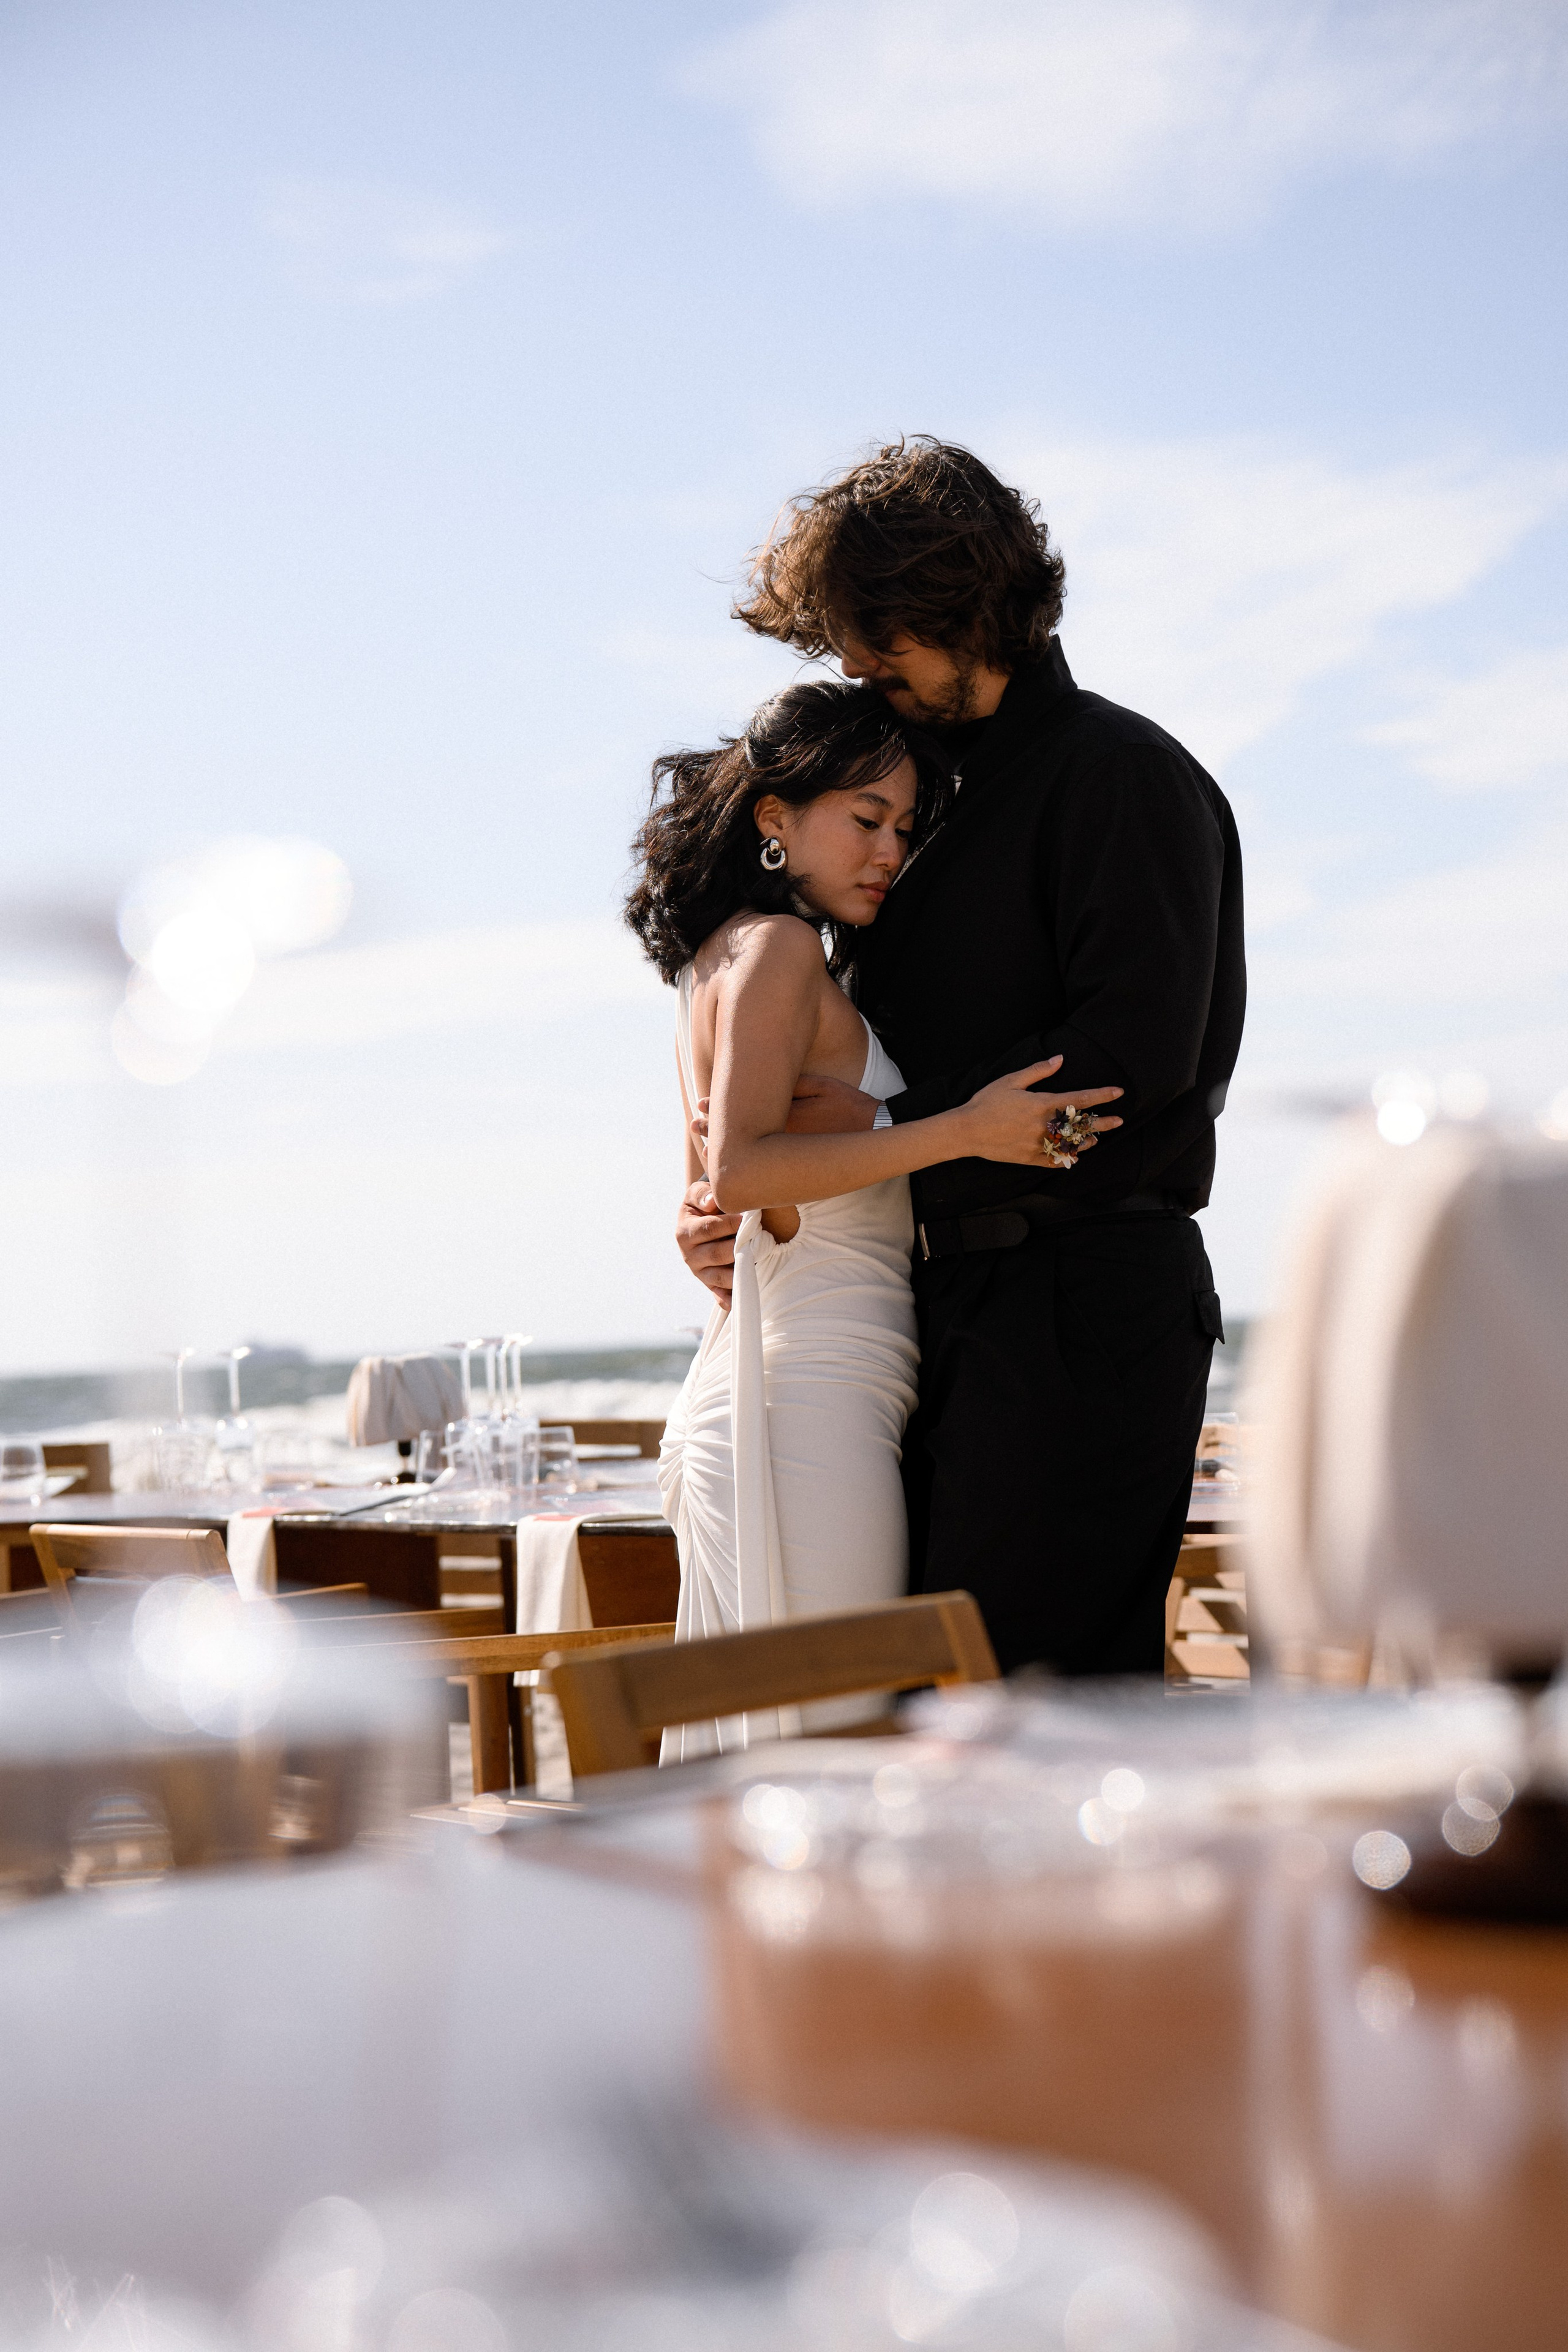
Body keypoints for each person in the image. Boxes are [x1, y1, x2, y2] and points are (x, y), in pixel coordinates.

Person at [678, 439, 1245, 1678]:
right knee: (924, 1718)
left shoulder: (1124, 778)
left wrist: (877, 1141)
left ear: (958, 605)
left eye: (873, 634)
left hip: (1078, 1318)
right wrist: (747, 1202)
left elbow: (1131, 1062)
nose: (850, 665)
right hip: (917, 1320)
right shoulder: (916, 803)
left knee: (1030, 1715)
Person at [626, 679, 1121, 1752]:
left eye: (902, 827)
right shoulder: (780, 950)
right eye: (865, 819)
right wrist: (963, 1127)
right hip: (802, 1407)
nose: (889, 851)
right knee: (838, 1756)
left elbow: (707, 1193)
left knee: (779, 1763)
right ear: (775, 816)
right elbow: (741, 1173)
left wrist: (708, 1216)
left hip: (766, 1393)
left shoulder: (716, 961)